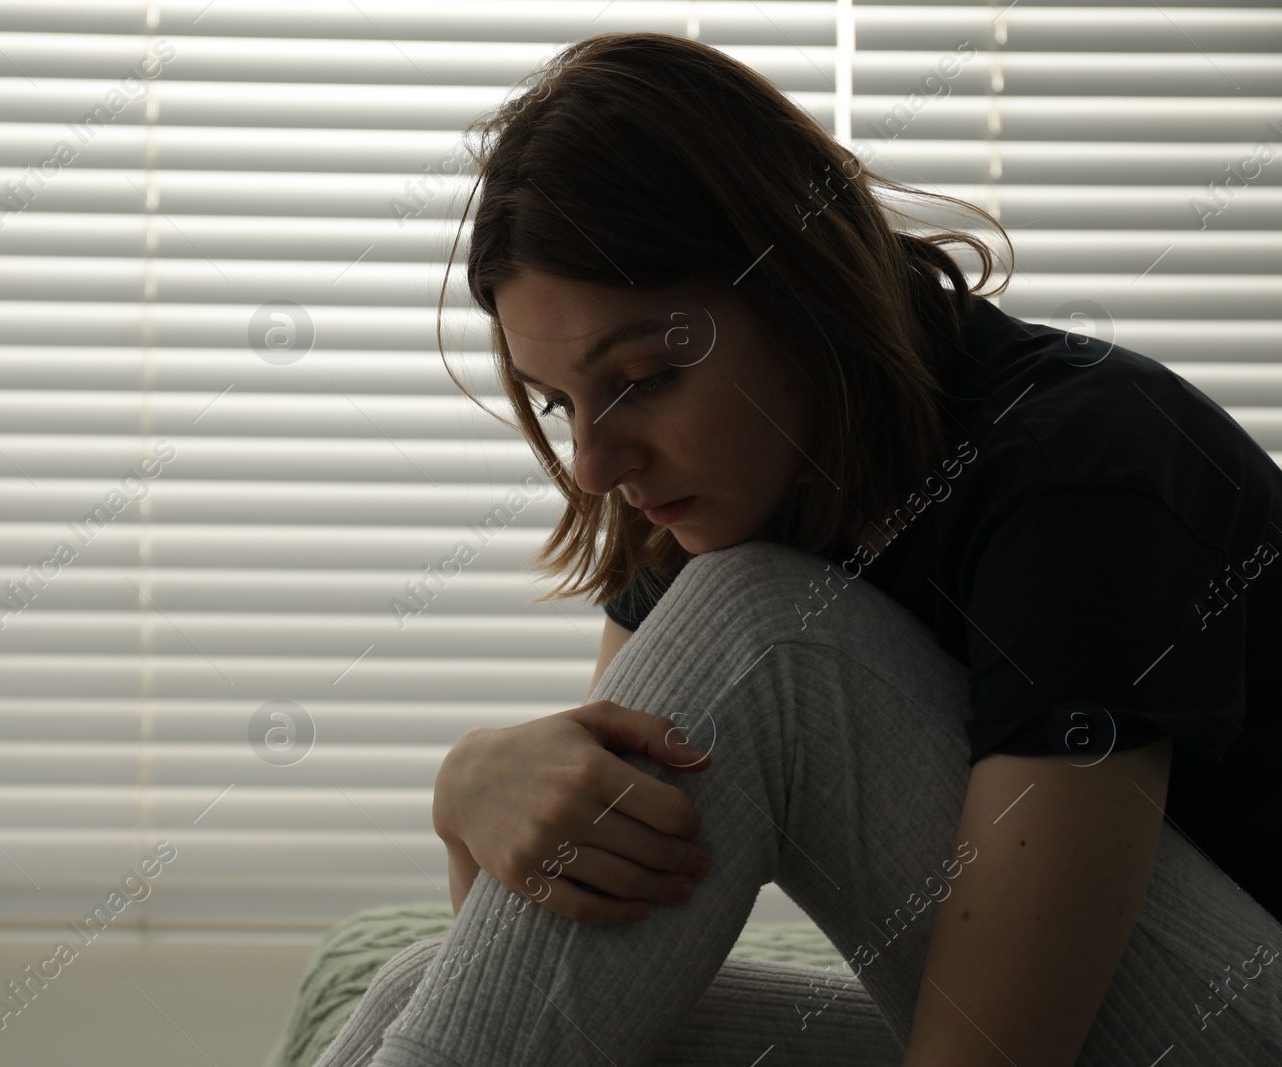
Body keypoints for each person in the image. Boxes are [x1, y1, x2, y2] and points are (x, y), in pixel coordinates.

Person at [312, 30, 1282, 1067]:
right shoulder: (714, 487)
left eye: (641, 375)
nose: (593, 465)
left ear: (799, 291)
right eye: (561, 404)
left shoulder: (1081, 466)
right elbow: (564, 955)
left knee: (769, 626)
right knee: (412, 984)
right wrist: (469, 790)